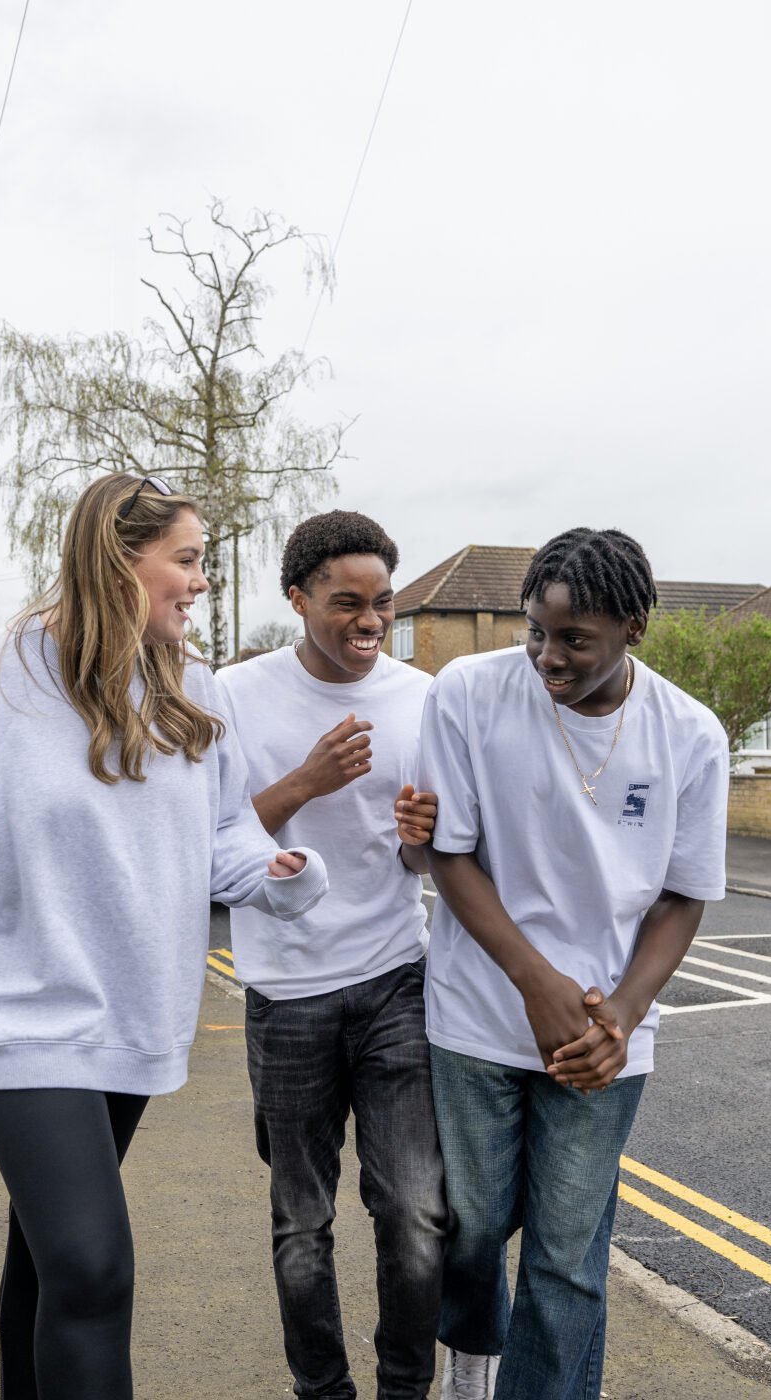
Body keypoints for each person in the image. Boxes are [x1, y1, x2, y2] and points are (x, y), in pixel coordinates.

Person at [0, 474, 327, 1400]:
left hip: (134, 1023)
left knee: (46, 1265)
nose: (201, 583)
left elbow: (221, 836)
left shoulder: (190, 682)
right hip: (19, 1024)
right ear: (119, 560)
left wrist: (278, 875)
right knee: (94, 1270)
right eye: (186, 561)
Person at [418, 527, 729, 1400]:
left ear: (635, 628)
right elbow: (450, 855)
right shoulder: (468, 694)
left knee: (566, 1258)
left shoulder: (691, 735)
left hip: (603, 1042)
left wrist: (621, 1014)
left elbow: (682, 893)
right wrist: (538, 984)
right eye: (534, 633)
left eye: (574, 640)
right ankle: (473, 1356)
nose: (547, 658)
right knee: (473, 1230)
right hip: (478, 1017)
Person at [216, 510, 447, 1400]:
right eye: (346, 603)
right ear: (297, 598)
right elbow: (212, 845)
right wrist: (307, 783)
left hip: (397, 975)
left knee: (417, 1213)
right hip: (286, 991)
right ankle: (324, 1392)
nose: (369, 623)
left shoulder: (420, 697)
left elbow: (429, 859)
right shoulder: (235, 696)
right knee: (302, 1222)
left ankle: (402, 1391)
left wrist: (423, 840)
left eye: (383, 604)